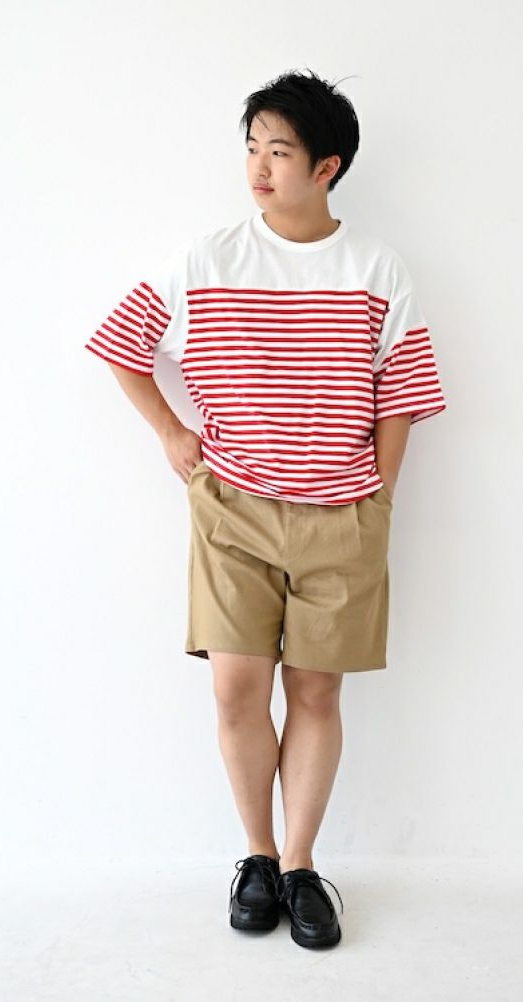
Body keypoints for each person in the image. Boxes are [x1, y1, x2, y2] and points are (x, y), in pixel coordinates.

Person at [84, 68, 447, 949]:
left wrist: (380, 496)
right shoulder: (207, 258)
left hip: (342, 516)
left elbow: (402, 393)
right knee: (236, 686)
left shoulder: (376, 268)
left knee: (315, 691)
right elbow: (123, 345)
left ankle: (300, 865)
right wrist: (172, 433)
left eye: (279, 152)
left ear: (327, 167)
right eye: (252, 147)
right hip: (233, 509)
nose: (258, 167)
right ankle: (255, 855)